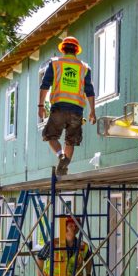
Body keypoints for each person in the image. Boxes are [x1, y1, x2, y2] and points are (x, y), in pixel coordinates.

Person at [38, 36, 96, 177]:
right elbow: (90, 91)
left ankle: (61, 156)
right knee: (71, 141)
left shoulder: (55, 64)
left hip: (59, 108)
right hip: (77, 110)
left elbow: (45, 85)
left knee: (50, 135)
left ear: (63, 49)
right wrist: (92, 111)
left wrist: (41, 105)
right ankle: (63, 169)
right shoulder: (84, 68)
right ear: (76, 50)